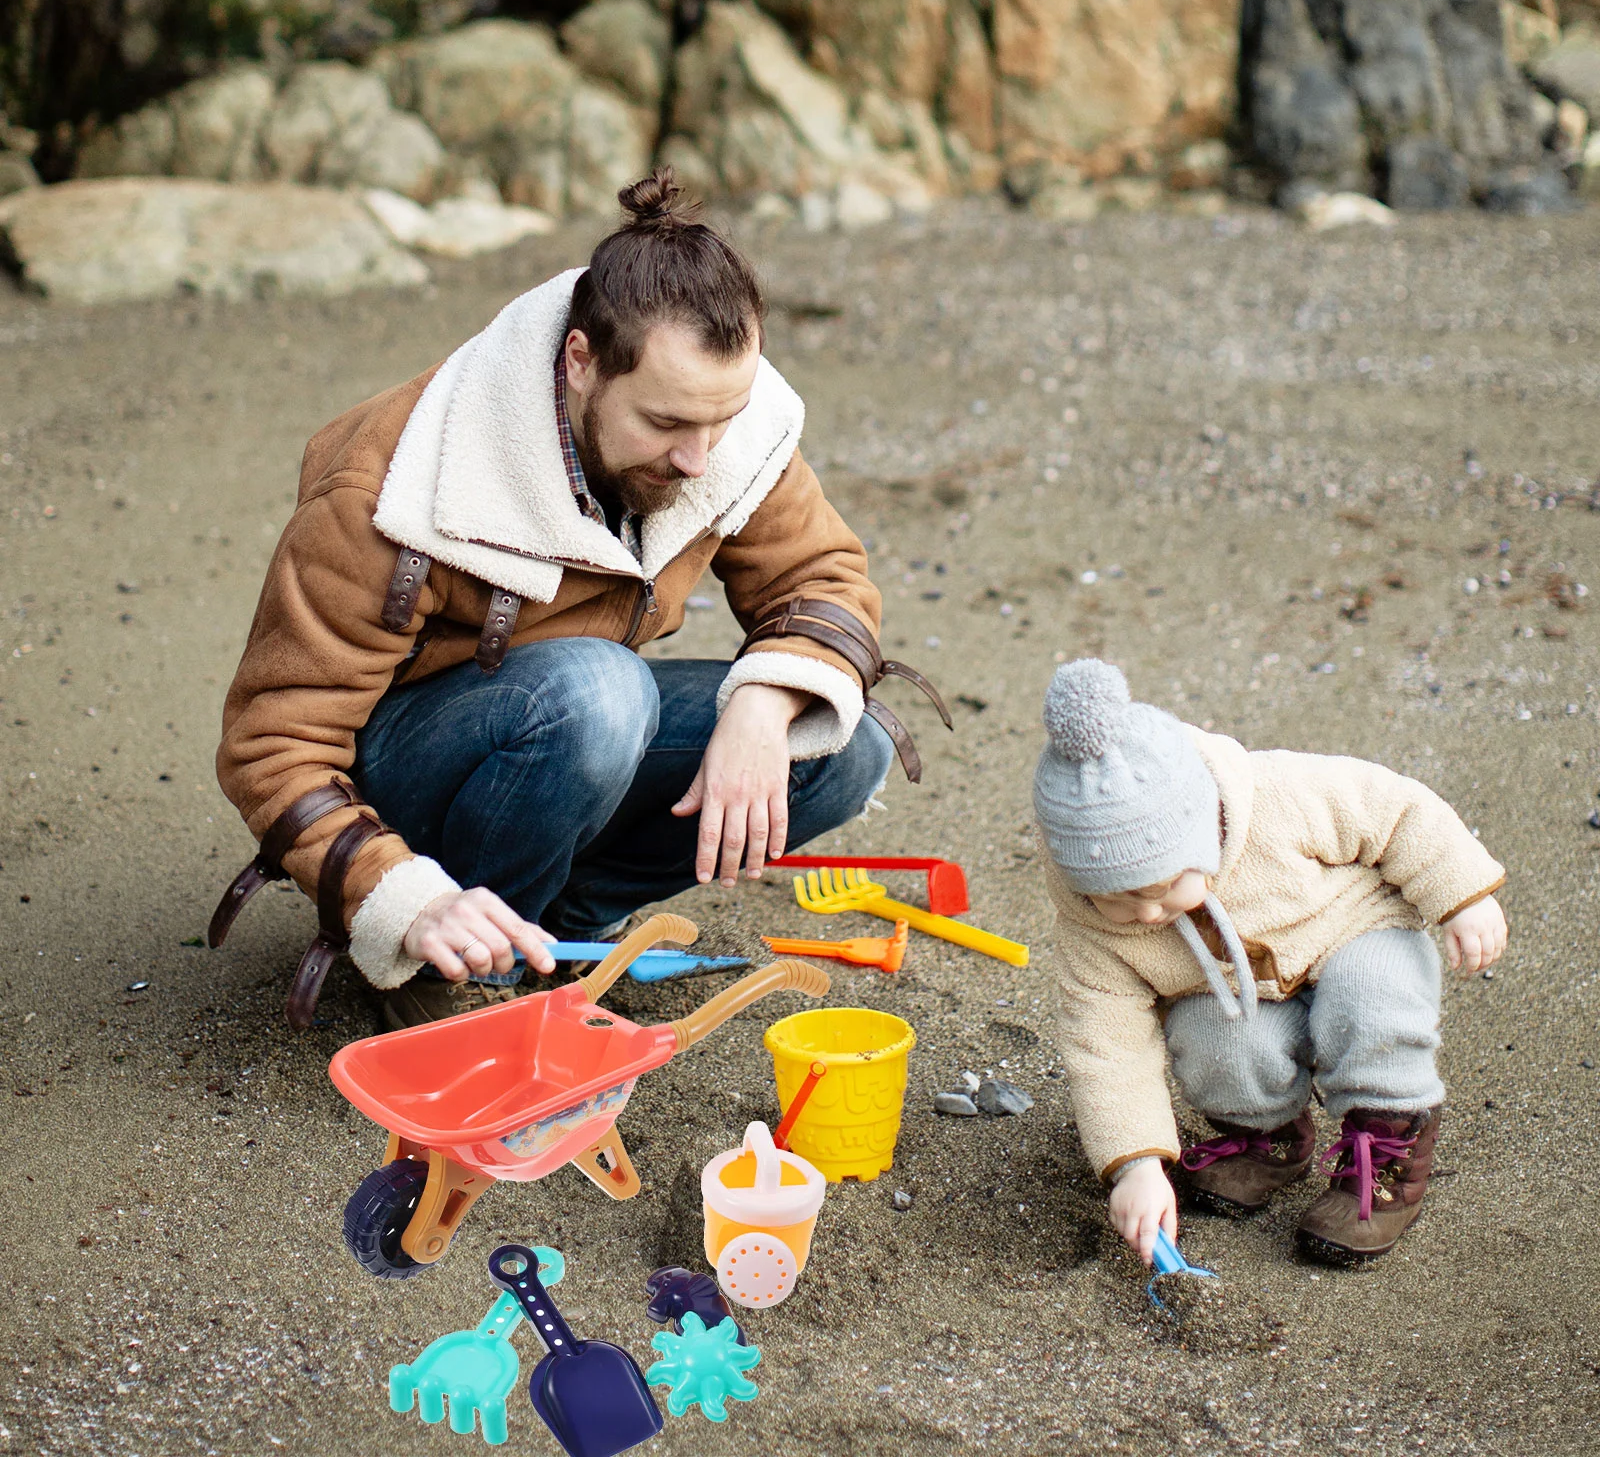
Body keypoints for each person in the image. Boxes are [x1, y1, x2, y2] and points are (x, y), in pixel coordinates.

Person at [212, 169, 943, 1030]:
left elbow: (821, 577)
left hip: (564, 737)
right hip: (409, 776)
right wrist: (394, 892)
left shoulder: (719, 423)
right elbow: (274, 742)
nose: (701, 459)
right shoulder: (391, 484)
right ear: (581, 362)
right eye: (666, 425)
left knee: (837, 743)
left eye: (722, 421)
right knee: (598, 693)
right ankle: (451, 975)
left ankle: (560, 929)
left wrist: (767, 704)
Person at [1033, 658, 1507, 1263]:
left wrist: (1462, 895)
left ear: (1202, 835)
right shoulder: (1091, 935)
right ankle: (1267, 1138)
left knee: (1374, 1002)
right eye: (1118, 900)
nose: (1149, 915)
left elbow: (1396, 811)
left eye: (1162, 889)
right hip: (1237, 989)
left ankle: (1387, 1156)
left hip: (1355, 931)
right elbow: (1106, 1048)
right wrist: (1137, 1164)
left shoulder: (1276, 797)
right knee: (1213, 1037)